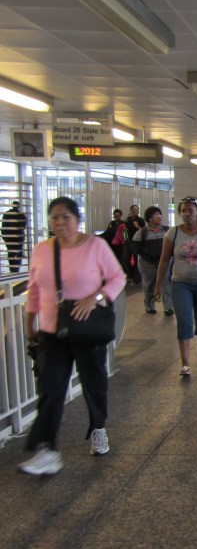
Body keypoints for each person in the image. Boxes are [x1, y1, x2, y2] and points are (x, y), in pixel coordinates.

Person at [18, 197, 126, 476]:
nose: (60, 222)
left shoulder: (95, 246)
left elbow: (117, 277)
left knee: (94, 382)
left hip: (87, 327)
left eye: (65, 217)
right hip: (53, 331)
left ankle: (98, 428)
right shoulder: (42, 250)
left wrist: (96, 297)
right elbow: (34, 289)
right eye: (54, 218)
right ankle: (47, 450)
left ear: (77, 219)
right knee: (50, 389)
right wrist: (31, 325)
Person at [154, 196, 197, 376]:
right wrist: (158, 285)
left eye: (190, 210)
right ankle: (185, 363)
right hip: (180, 284)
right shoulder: (173, 233)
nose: (187, 214)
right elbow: (164, 259)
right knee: (184, 321)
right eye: (183, 211)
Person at [131, 206, 174, 316]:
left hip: (164, 262)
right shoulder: (142, 232)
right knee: (149, 285)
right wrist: (149, 252)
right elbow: (135, 247)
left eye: (160, 214)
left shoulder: (167, 230)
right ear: (150, 218)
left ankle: (168, 308)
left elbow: (173, 244)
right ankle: (150, 307)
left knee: (166, 284)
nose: (159, 216)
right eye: (156, 215)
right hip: (147, 263)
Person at [2, 200, 28, 273]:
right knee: (18, 254)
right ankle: (17, 269)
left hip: (9, 239)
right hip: (19, 238)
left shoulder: (6, 214)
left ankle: (12, 270)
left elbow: (3, 227)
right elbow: (23, 227)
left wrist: (5, 238)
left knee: (11, 254)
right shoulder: (22, 215)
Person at [124, 205, 145, 284]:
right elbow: (125, 231)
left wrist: (137, 226)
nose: (134, 211)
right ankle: (130, 276)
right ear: (130, 211)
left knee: (136, 260)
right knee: (126, 258)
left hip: (136, 242)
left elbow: (144, 231)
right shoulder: (128, 219)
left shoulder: (140, 220)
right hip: (128, 241)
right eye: (133, 210)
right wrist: (125, 237)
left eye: (136, 210)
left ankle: (137, 278)